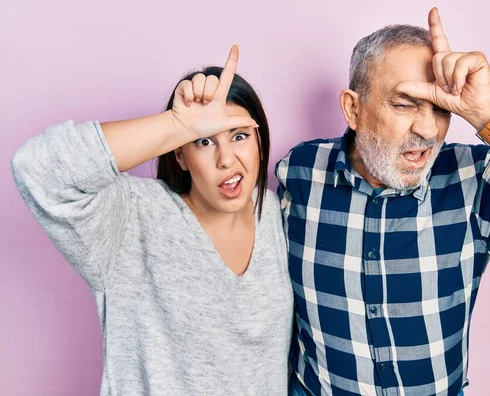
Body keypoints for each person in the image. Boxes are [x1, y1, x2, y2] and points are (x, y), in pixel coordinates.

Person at [277, 8, 490, 396]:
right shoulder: (298, 172)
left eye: (441, 108)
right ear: (353, 109)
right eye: (404, 104)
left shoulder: (474, 180)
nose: (428, 130)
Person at [12, 46, 293, 395]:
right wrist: (178, 124)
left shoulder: (279, 214)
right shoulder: (132, 217)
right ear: (180, 155)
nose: (226, 159)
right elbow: (37, 168)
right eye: (204, 141)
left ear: (260, 142)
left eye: (239, 136)